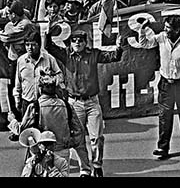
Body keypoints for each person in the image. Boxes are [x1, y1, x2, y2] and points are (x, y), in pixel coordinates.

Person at [45, 29, 124, 177]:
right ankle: (85, 170)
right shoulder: (66, 54)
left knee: (97, 137)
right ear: (70, 42)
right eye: (74, 41)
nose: (77, 43)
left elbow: (113, 57)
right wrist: (48, 32)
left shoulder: (94, 54)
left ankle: (97, 165)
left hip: (92, 102)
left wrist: (119, 47)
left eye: (80, 41)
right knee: (78, 139)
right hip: (74, 103)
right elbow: (49, 47)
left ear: (85, 42)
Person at [138, 15, 180, 159]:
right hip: (165, 84)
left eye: (168, 28)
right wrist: (142, 29)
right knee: (164, 116)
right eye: (165, 27)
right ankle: (163, 148)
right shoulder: (161, 38)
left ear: (177, 30)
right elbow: (145, 44)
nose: (165, 30)